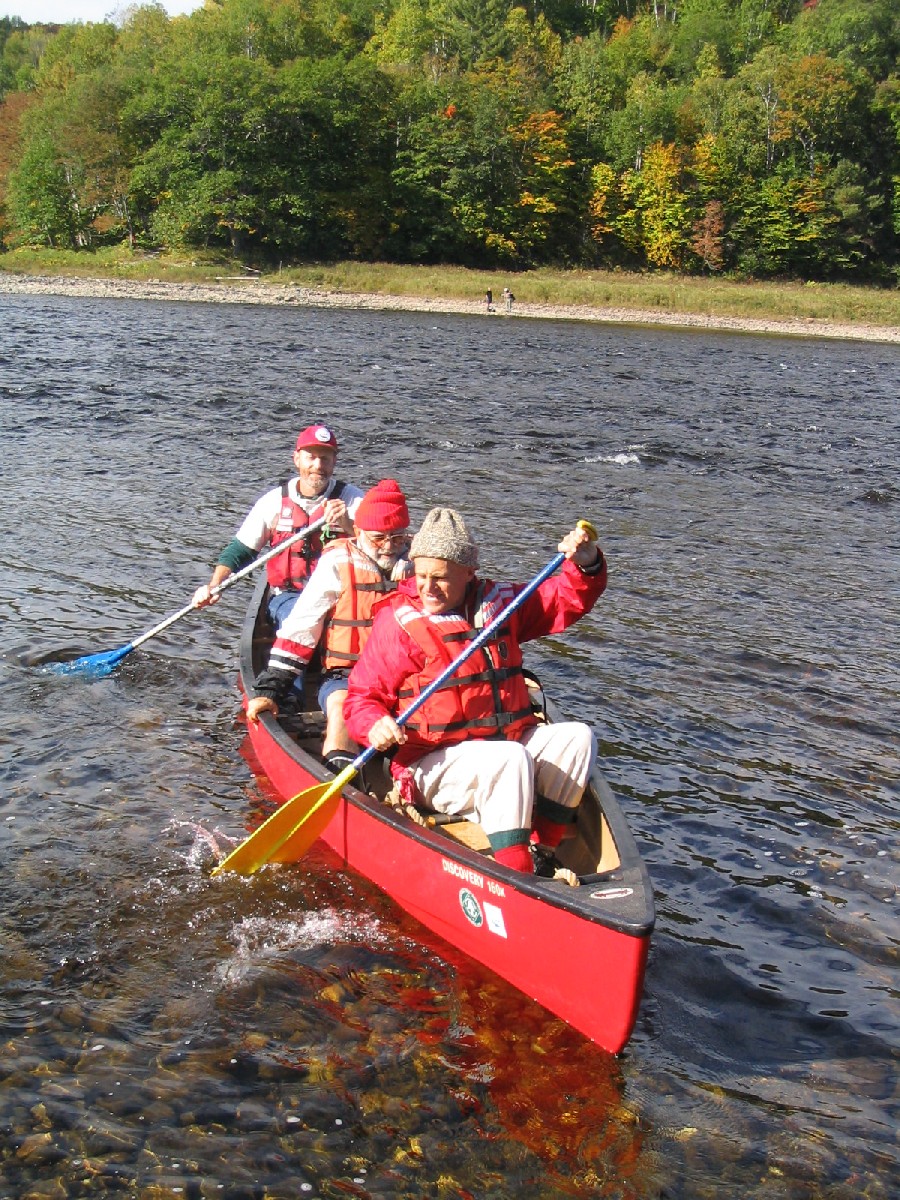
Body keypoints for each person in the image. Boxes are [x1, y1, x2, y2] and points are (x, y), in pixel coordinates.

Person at [343, 507, 607, 875]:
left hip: (504, 745)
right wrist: (375, 723)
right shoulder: (399, 623)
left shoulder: (499, 606)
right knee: (508, 759)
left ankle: (543, 850)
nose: (427, 587)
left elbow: (563, 601)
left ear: (469, 573)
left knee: (576, 737)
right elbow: (361, 698)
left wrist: (587, 563)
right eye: (421, 575)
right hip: (429, 765)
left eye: (441, 577)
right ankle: (519, 877)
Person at [246, 480, 412, 774]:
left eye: (397, 539)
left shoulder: (420, 567)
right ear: (358, 532)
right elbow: (300, 630)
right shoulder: (337, 562)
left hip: (405, 679)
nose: (388, 548)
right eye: (378, 538)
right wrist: (270, 690)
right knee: (343, 707)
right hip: (347, 676)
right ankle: (340, 774)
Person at [192, 424, 363, 628]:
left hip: (341, 595)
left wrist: (348, 524)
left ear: (334, 461)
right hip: (289, 596)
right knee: (305, 620)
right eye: (311, 457)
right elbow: (239, 552)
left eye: (325, 458)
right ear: (297, 459)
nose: (318, 465)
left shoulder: (353, 500)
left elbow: (381, 546)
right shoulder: (272, 502)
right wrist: (214, 585)